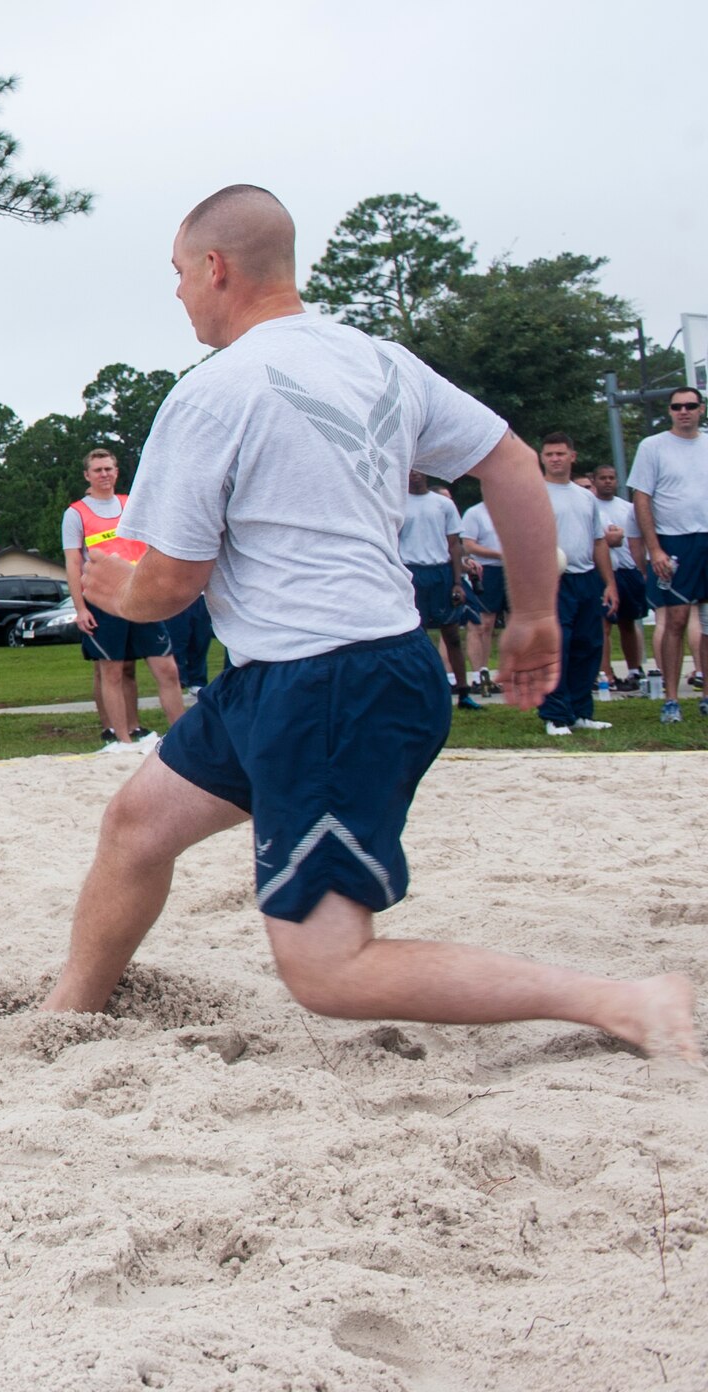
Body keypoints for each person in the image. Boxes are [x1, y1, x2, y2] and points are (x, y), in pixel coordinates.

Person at [39, 184, 695, 1063]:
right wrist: (534, 613)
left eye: (178, 273)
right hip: (292, 675)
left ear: (215, 267)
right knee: (137, 826)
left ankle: (622, 1001)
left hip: (329, 684)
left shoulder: (213, 393)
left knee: (328, 971)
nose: (179, 293)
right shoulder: (381, 362)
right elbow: (505, 461)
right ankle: (66, 1016)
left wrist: (116, 588)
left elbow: (170, 586)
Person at [64, 448, 185, 751]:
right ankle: (120, 739)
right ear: (87, 475)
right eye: (98, 470)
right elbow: (73, 563)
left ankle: (183, 736)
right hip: (103, 600)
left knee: (166, 668)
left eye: (109, 469)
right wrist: (80, 608)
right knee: (112, 670)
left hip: (140, 596)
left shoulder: (130, 504)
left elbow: (149, 547)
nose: (104, 474)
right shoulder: (76, 513)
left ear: (117, 472)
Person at [628, 386, 708, 722]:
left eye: (690, 406)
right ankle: (671, 700)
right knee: (674, 620)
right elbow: (641, 498)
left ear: (701, 409)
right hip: (674, 542)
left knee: (706, 624)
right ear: (670, 411)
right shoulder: (653, 447)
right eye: (677, 407)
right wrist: (655, 549)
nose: (684, 411)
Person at [535, 435, 616, 734]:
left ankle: (581, 711)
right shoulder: (535, 493)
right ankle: (555, 714)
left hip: (585, 578)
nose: (555, 458)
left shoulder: (586, 497)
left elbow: (598, 542)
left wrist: (609, 583)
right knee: (558, 646)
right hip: (552, 580)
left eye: (560, 453)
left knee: (588, 645)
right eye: (549, 454)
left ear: (573, 456)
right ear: (542, 458)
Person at [400, 471, 482, 710]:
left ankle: (464, 692)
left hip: (441, 572)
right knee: (418, 637)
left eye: (418, 472)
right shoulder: (399, 503)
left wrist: (458, 581)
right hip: (413, 572)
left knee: (453, 634)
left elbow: (454, 545)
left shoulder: (443, 504)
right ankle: (422, 692)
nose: (414, 477)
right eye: (410, 472)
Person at [589, 462, 647, 689]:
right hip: (603, 573)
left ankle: (634, 669)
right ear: (594, 481)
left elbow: (636, 540)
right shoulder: (590, 506)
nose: (607, 482)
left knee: (629, 622)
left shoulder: (627, 508)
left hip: (627, 570)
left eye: (611, 478)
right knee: (603, 624)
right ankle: (606, 674)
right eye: (602, 478)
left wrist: (641, 569)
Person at [458, 497, 507, 692]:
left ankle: (509, 675)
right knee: (482, 624)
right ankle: (481, 675)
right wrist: (500, 554)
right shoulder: (475, 513)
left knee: (514, 624)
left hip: (514, 569)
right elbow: (469, 545)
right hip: (487, 570)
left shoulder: (516, 511)